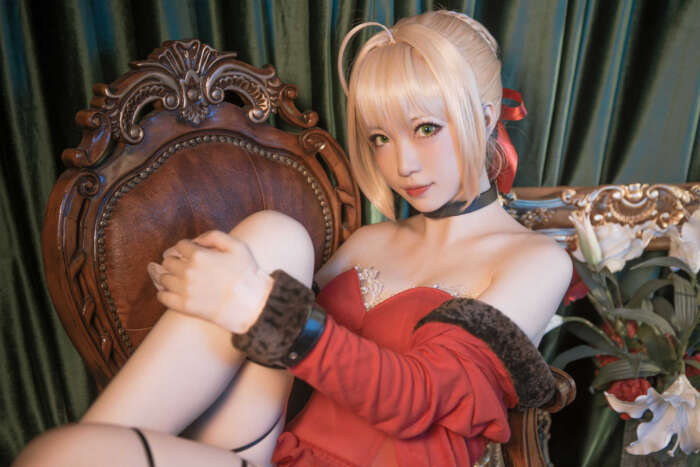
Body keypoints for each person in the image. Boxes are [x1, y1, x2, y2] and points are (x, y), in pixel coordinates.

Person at [14, 10, 572, 467]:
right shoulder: (368, 243)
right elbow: (263, 358)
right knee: (276, 237)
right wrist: (204, 285)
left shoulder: (535, 261)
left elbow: (421, 399)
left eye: (426, 128)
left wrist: (257, 306)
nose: (402, 163)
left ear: (487, 115)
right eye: (380, 137)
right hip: (274, 451)